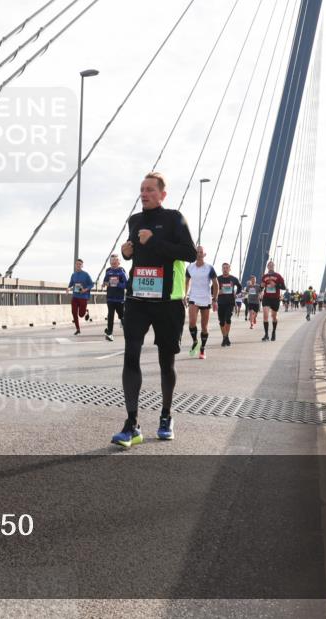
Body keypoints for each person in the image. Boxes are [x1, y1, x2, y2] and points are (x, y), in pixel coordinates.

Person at [112, 171, 196, 447]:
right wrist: (126, 252)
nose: (144, 193)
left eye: (149, 189)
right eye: (141, 189)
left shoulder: (175, 218)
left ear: (162, 194)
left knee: (165, 362)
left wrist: (155, 241)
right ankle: (132, 423)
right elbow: (134, 253)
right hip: (137, 300)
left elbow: (189, 254)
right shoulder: (134, 220)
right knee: (130, 356)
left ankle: (166, 416)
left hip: (167, 303)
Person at [216, 263, 242, 346]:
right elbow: (212, 289)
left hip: (230, 302)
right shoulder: (218, 279)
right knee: (221, 321)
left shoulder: (233, 279)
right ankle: (225, 337)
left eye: (227, 268)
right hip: (221, 302)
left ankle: (225, 337)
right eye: (224, 268)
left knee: (228, 319)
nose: (225, 269)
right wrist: (217, 292)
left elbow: (240, 287)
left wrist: (237, 294)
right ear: (222, 269)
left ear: (229, 269)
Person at [103, 254, 127, 341]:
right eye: (112, 261)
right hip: (110, 298)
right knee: (110, 316)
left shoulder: (122, 272)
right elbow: (105, 282)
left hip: (120, 299)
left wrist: (118, 284)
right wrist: (106, 284)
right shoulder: (108, 271)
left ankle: (127, 332)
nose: (113, 263)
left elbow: (127, 285)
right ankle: (109, 333)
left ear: (119, 262)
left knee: (122, 316)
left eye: (115, 261)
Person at [260, 261, 287, 341]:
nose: (271, 267)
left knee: (274, 317)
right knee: (265, 315)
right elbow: (261, 288)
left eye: (272, 265)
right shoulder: (264, 276)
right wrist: (261, 286)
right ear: (267, 267)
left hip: (275, 299)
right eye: (269, 265)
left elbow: (284, 287)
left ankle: (273, 332)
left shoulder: (278, 276)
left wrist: (275, 285)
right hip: (266, 298)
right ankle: (266, 334)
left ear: (274, 266)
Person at [67, 259, 93, 336]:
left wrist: (85, 289)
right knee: (74, 312)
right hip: (75, 296)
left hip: (83, 296)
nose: (78, 265)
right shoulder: (73, 275)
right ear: (75, 265)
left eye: (80, 264)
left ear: (82, 266)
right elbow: (71, 284)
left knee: (81, 315)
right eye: (77, 264)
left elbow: (91, 284)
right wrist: (68, 288)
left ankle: (86, 311)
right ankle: (78, 329)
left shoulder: (86, 274)